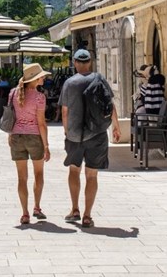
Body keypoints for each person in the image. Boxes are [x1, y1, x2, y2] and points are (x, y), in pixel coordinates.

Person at [60, 49, 121, 228]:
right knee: (92, 175)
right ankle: (87, 215)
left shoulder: (69, 83)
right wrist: (116, 127)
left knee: (74, 171)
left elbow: (65, 112)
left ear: (75, 62)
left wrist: (66, 131)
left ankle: (75, 209)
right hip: (97, 134)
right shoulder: (99, 78)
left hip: (75, 136)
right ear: (90, 62)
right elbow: (110, 104)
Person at [8, 63, 52, 224]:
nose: (44, 78)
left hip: (17, 136)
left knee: (21, 178)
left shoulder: (13, 93)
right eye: (41, 76)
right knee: (38, 174)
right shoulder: (40, 97)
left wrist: (10, 134)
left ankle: (24, 213)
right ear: (35, 79)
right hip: (34, 137)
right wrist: (46, 145)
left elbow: (10, 115)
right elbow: (41, 123)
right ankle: (37, 207)